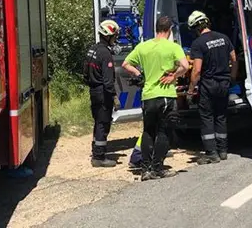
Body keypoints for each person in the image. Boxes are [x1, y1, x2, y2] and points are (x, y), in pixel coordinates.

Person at [122, 15, 189, 181]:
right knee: (164, 132)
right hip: (165, 95)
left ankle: (145, 170)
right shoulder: (173, 47)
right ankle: (158, 168)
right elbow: (185, 66)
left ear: (156, 28)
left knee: (148, 131)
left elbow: (125, 64)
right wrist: (174, 75)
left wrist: (139, 74)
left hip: (148, 96)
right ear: (169, 30)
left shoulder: (143, 47)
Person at [186, 10, 238, 164]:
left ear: (195, 28)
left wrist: (190, 90)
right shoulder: (224, 38)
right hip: (224, 83)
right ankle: (223, 151)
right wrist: (232, 77)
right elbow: (234, 59)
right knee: (221, 116)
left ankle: (211, 153)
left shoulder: (198, 44)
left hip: (209, 85)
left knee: (207, 117)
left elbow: (197, 70)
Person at [83, 19, 122, 168]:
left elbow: (85, 73)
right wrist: (114, 97)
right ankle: (99, 157)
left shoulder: (92, 49)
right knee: (103, 124)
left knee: (98, 121)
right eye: (114, 36)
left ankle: (96, 150)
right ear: (108, 35)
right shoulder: (105, 54)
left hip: (94, 91)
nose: (115, 39)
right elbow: (108, 81)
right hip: (103, 93)